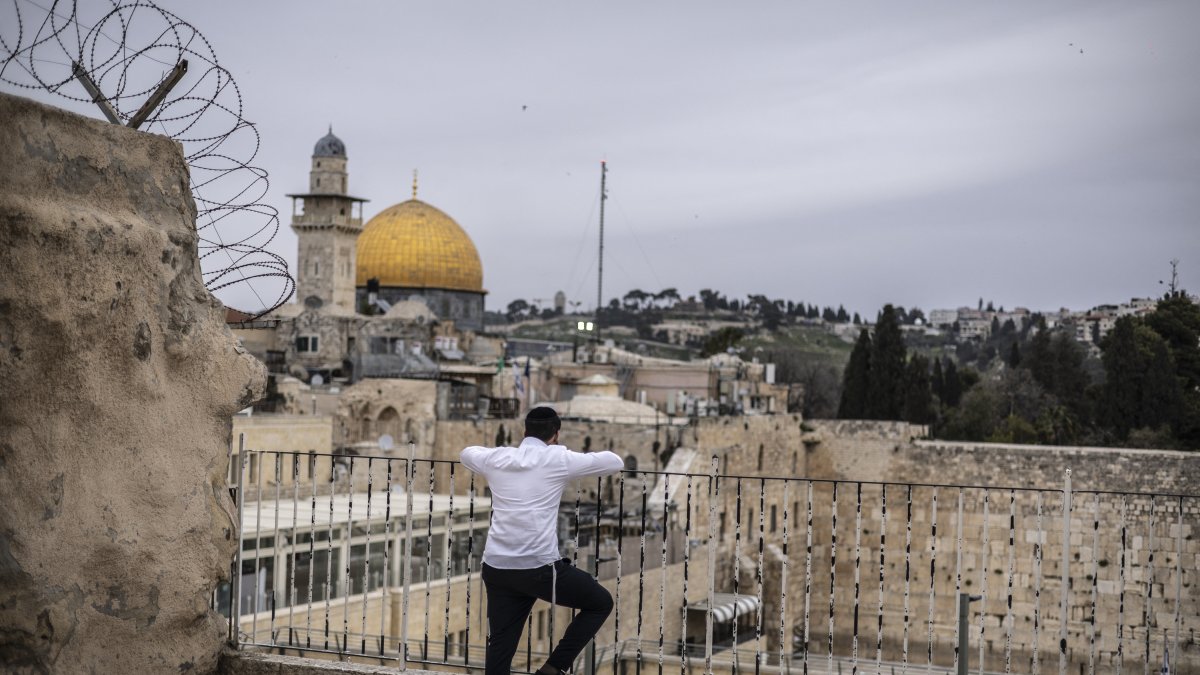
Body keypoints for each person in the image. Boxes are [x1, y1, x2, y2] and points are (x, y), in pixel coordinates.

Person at [461, 406, 623, 675]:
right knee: (600, 603)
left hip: (497, 566)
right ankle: (553, 669)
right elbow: (614, 461)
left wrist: (501, 453)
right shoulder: (557, 459)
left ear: (524, 431)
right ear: (555, 435)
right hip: (539, 568)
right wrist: (562, 453)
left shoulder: (498, 458)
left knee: (501, 641)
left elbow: (467, 453)